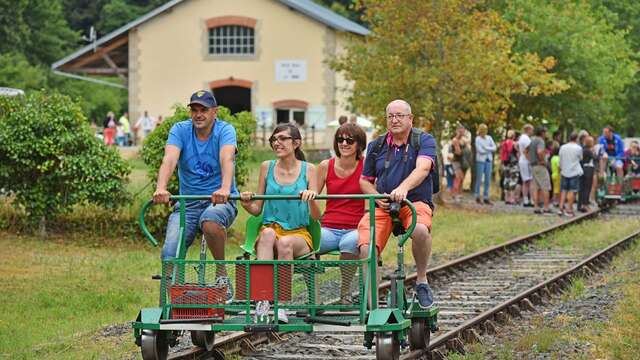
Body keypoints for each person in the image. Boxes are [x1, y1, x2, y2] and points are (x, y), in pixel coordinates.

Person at [153, 90, 238, 301]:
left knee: (210, 220)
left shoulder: (225, 130)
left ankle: (221, 274)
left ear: (214, 112)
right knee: (170, 253)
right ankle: (175, 301)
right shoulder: (180, 130)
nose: (198, 115)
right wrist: (161, 187)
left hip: (219, 200)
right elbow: (170, 159)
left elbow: (227, 158)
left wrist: (225, 188)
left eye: (204, 110)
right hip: (187, 204)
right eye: (194, 110)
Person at [358, 99, 437, 308]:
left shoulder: (424, 140)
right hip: (383, 206)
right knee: (366, 246)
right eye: (390, 116)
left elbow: (423, 169)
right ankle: (371, 304)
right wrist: (377, 196)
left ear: (410, 119)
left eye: (399, 115)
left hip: (415, 202)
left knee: (420, 230)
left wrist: (403, 188)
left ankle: (421, 281)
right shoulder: (377, 145)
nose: (395, 120)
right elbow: (364, 181)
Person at [239, 123, 321, 323]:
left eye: (282, 138)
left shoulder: (309, 169)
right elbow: (257, 209)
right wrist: (245, 203)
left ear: (296, 143)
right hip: (271, 230)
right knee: (267, 234)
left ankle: (281, 305)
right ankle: (263, 301)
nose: (277, 143)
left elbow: (317, 216)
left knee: (285, 243)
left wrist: (311, 198)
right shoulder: (266, 167)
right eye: (274, 139)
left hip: (299, 233)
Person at [316, 123, 367, 304]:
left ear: (359, 144)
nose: (344, 143)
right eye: (340, 139)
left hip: (355, 226)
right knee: (309, 243)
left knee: (350, 243)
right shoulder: (325, 165)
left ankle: (345, 290)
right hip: (329, 226)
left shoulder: (366, 166)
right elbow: (312, 193)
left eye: (349, 140)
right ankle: (314, 296)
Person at [526, 126, 552, 214]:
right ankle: (546, 207)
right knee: (545, 186)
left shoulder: (532, 140)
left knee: (535, 187)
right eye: (545, 132)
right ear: (542, 133)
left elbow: (526, 151)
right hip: (540, 166)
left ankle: (536, 207)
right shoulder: (540, 141)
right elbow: (540, 151)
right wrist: (542, 161)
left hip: (533, 166)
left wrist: (530, 159)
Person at [558, 132, 583, 217]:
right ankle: (569, 209)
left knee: (564, 190)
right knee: (572, 191)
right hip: (574, 172)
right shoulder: (578, 148)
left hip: (564, 171)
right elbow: (580, 158)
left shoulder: (562, 147)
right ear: (576, 139)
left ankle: (560, 208)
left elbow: (560, 159)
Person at [474, 124, 497, 205]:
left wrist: (486, 148)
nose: (484, 132)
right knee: (479, 179)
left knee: (487, 179)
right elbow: (480, 150)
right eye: (483, 130)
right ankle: (477, 196)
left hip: (488, 160)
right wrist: (489, 149)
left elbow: (494, 147)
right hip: (480, 161)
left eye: (485, 130)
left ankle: (486, 197)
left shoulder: (489, 138)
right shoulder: (477, 139)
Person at [450, 124, 471, 202]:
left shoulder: (465, 139)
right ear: (457, 131)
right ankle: (454, 194)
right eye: (460, 130)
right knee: (458, 177)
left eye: (463, 130)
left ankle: (459, 194)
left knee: (462, 179)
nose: (461, 132)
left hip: (463, 161)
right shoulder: (455, 140)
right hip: (456, 161)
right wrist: (463, 146)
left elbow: (469, 148)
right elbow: (458, 152)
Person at [517, 124, 534, 207]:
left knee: (525, 181)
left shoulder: (521, 138)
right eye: (532, 130)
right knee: (529, 181)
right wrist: (530, 160)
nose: (532, 132)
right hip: (526, 161)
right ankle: (530, 199)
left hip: (523, 160)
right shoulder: (526, 138)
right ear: (528, 130)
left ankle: (526, 199)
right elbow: (527, 151)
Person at [500, 130, 519, 204]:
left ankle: (506, 198)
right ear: (514, 136)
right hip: (513, 164)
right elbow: (517, 153)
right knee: (513, 180)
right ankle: (512, 199)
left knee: (506, 179)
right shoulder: (515, 143)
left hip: (505, 163)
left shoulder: (504, 143)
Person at [578, 136, 595, 212]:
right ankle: (585, 204)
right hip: (588, 169)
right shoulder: (588, 151)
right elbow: (596, 157)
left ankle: (580, 204)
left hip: (582, 169)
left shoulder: (582, 149)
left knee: (581, 188)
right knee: (587, 188)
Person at [550, 143, 561, 207]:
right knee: (557, 189)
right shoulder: (558, 158)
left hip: (553, 174)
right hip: (558, 175)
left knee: (555, 188)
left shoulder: (553, 158)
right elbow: (559, 167)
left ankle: (555, 200)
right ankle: (555, 201)